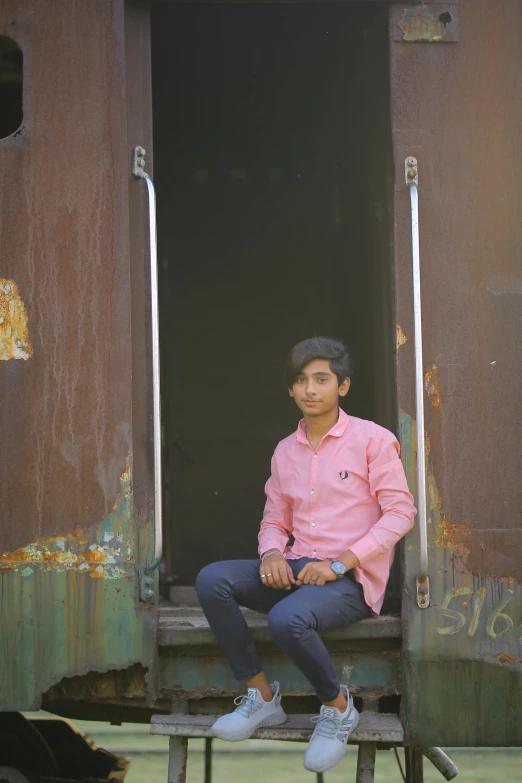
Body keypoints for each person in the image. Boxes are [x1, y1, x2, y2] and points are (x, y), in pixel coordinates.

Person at [195, 337, 416, 774]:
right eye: (301, 380)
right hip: (298, 570)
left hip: (348, 581)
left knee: (285, 620)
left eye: (322, 379)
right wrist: (272, 553)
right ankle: (261, 698)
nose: (310, 389)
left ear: (343, 386)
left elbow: (400, 513)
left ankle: (337, 709)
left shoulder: (373, 440)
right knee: (211, 579)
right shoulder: (285, 450)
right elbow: (274, 519)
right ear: (291, 390)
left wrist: (339, 564)